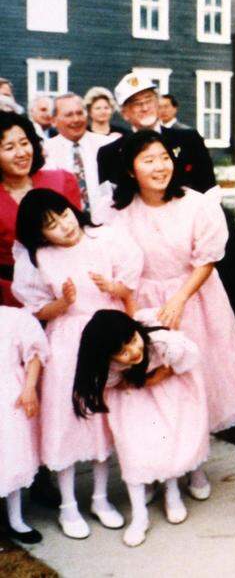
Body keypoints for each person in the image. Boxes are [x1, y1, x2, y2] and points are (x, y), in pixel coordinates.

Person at [111, 131, 235, 498]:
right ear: (131, 170)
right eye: (148, 160)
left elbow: (206, 259)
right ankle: (156, 466)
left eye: (164, 157)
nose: (160, 166)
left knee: (194, 384)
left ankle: (195, 465)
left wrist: (178, 299)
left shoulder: (195, 204)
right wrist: (136, 320)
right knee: (153, 390)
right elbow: (120, 268)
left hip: (193, 299)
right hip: (141, 303)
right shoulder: (118, 214)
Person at [13, 188, 140, 539]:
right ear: (40, 234)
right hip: (67, 342)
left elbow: (128, 288)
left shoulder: (105, 237)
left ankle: (100, 498)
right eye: (51, 225)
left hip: (106, 339)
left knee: (102, 421)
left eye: (64, 214)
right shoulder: (39, 258)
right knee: (67, 421)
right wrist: (64, 303)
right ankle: (69, 504)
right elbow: (39, 309)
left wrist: (114, 287)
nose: (64, 226)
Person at [73, 310, 209, 547]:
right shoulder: (109, 366)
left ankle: (172, 492)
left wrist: (165, 372)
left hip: (167, 398)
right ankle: (139, 516)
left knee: (168, 442)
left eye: (133, 341)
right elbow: (110, 381)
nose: (134, 352)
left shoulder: (161, 342)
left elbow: (190, 356)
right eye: (123, 353)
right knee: (133, 452)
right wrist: (138, 380)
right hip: (131, 404)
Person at [0, 111, 81, 306]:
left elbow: (82, 234)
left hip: (73, 286)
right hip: (13, 296)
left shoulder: (61, 180)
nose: (21, 153)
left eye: (24, 143)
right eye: (9, 147)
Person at [96, 75, 216, 194]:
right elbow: (110, 203)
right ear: (124, 113)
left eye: (149, 100)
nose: (145, 107)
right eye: (137, 103)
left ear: (158, 103)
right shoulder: (110, 154)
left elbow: (209, 190)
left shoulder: (189, 140)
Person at [1, 305, 48, 544]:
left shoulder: (13, 317)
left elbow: (35, 353)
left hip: (7, 392)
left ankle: (16, 518)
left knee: (11, 455)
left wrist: (29, 387)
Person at [44, 92, 115, 222]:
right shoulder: (45, 152)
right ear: (54, 120)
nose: (76, 119)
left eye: (79, 113)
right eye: (69, 115)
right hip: (65, 228)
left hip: (107, 225)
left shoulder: (107, 145)